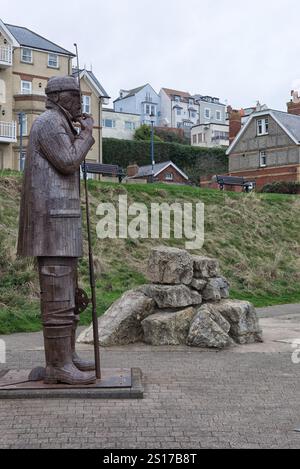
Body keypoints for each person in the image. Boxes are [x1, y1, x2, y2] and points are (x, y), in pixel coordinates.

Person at [17, 76, 96, 385]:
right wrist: (87, 135)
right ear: (61, 97)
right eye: (76, 98)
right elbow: (67, 160)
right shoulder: (50, 123)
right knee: (57, 297)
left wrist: (78, 133)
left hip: (61, 223)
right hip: (51, 225)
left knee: (68, 297)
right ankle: (58, 365)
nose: (80, 104)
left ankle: (67, 356)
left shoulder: (60, 122)